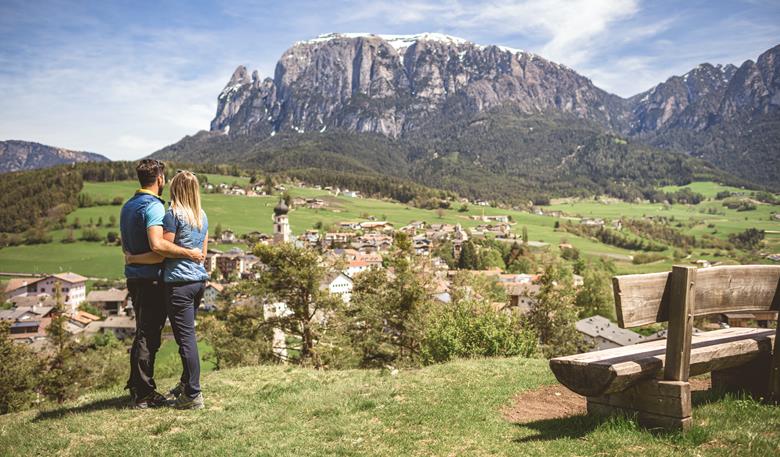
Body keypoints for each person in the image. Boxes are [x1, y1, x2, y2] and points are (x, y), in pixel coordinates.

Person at [120, 160, 204, 409]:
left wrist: (132, 258)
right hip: (153, 279)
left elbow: (128, 244)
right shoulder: (155, 208)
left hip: (134, 277)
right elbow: (159, 250)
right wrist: (189, 253)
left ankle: (140, 387)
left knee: (144, 334)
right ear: (160, 179)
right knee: (151, 337)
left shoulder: (128, 206)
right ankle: (144, 393)